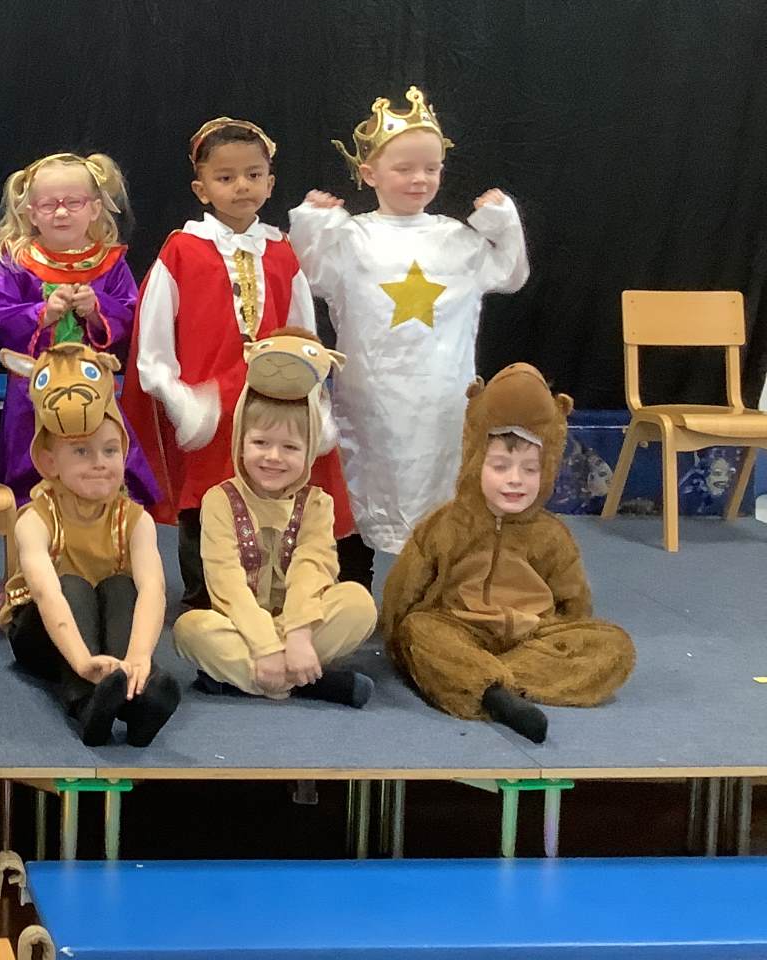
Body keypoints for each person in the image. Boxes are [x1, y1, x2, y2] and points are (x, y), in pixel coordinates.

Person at [290, 87, 529, 585]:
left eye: (431, 168)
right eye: (404, 168)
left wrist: (503, 222)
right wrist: (311, 224)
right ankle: (350, 588)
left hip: (442, 401)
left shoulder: (458, 240)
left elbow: (510, 274)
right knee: (361, 483)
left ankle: (435, 591)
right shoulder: (351, 238)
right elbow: (307, 273)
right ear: (369, 173)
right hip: (371, 402)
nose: (420, 179)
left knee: (441, 490)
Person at [122, 117, 354, 608]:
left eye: (253, 175)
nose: (241, 186)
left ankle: (276, 591)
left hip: (274, 398)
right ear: (202, 189)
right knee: (207, 495)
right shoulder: (182, 251)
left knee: (276, 486)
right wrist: (180, 398)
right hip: (210, 404)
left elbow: (302, 331)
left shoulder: (281, 252)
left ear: (270, 183)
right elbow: (153, 339)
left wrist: (312, 391)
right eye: (225, 178)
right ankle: (205, 597)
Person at [382, 363, 635, 743]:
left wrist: (562, 640)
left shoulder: (552, 536)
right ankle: (489, 684)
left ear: (546, 471)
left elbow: (575, 603)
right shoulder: (446, 525)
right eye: (500, 467)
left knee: (613, 647)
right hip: (460, 628)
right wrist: (399, 640)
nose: (515, 480)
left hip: (530, 636)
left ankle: (485, 684)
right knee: (421, 631)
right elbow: (403, 590)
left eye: (530, 470)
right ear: (476, 462)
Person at [173, 332, 379, 707]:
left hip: (302, 624)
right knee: (190, 629)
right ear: (240, 441)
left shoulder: (317, 503)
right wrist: (266, 645)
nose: (273, 457)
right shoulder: (220, 500)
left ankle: (255, 676)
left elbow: (312, 570)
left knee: (358, 604)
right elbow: (226, 584)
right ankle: (305, 681)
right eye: (260, 443)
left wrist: (297, 635)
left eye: (290, 447)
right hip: (240, 625)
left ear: (309, 450)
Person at [0, 343, 181, 748]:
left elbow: (153, 590)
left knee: (121, 586)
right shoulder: (36, 518)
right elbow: (46, 593)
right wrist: (82, 662)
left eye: (110, 451)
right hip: (42, 632)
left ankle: (135, 698)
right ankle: (87, 702)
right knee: (72, 584)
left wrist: (139, 658)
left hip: (103, 629)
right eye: (81, 452)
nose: (99, 462)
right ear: (49, 462)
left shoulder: (136, 520)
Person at [0, 151, 156, 506]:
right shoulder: (17, 263)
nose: (61, 213)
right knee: (32, 458)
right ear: (31, 213)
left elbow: (130, 313)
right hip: (33, 388)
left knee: (101, 450)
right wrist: (42, 314)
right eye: (49, 205)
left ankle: (109, 517)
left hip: (93, 383)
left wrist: (96, 309)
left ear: (94, 208)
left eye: (73, 203)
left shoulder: (110, 263)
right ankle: (30, 520)